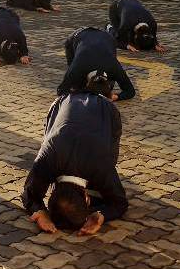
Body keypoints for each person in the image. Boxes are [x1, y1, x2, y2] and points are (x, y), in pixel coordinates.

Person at [21, 84, 128, 237]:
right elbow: (119, 203)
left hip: (102, 107)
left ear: (86, 197)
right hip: (64, 101)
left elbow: (119, 202)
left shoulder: (102, 164)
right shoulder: (46, 161)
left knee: (110, 159)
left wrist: (39, 212)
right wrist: (40, 212)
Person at [57, 27, 136, 101]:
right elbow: (61, 90)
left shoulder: (114, 68)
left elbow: (131, 92)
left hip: (106, 37)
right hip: (78, 35)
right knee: (76, 84)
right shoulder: (77, 68)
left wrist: (116, 97)